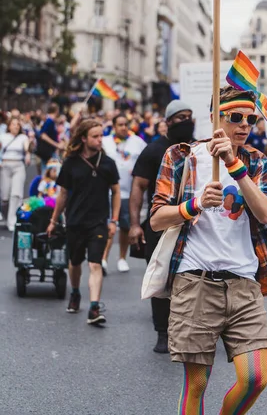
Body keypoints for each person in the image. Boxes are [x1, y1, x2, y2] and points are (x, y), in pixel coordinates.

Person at [150, 87, 267, 414]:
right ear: (213, 118)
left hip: (244, 283)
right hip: (195, 280)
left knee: (255, 379)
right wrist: (193, 205)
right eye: (235, 117)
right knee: (197, 384)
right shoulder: (181, 156)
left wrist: (234, 166)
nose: (244, 124)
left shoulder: (256, 161)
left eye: (250, 119)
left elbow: (265, 214)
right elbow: (156, 219)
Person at [129, 99, 194, 354]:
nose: (186, 122)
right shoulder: (153, 150)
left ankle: (188, 329)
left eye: (189, 116)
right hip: (159, 225)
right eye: (180, 117)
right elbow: (138, 186)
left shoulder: (196, 148)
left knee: (188, 278)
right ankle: (162, 332)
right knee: (160, 279)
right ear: (168, 122)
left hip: (190, 224)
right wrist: (135, 224)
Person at [46, 120, 120, 325]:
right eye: (95, 136)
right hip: (75, 221)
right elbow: (62, 195)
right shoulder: (70, 163)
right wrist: (53, 221)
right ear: (84, 138)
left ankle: (94, 307)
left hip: (98, 222)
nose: (99, 140)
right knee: (75, 262)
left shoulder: (108, 163)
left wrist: (113, 220)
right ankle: (76, 293)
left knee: (95, 263)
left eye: (101, 136)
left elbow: (115, 192)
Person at [102, 113, 146, 273]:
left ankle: (122, 258)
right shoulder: (105, 142)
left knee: (126, 227)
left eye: (125, 124)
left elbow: (145, 160)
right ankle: (103, 259)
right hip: (107, 192)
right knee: (108, 225)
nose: (123, 127)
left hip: (128, 192)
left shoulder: (137, 142)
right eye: (119, 125)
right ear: (113, 127)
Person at [0, 118, 31, 231]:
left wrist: (27, 153)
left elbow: (27, 148)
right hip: (5, 166)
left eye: (18, 125)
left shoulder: (23, 137)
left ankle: (12, 221)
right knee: (5, 197)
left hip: (18, 166)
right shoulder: (3, 136)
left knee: (16, 195)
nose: (16, 127)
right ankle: (6, 214)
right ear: (9, 126)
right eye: (13, 124)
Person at [37, 104, 64, 172]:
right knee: (50, 171)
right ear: (56, 111)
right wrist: (56, 144)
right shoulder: (49, 121)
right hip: (48, 152)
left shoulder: (50, 120)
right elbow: (43, 135)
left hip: (49, 151)